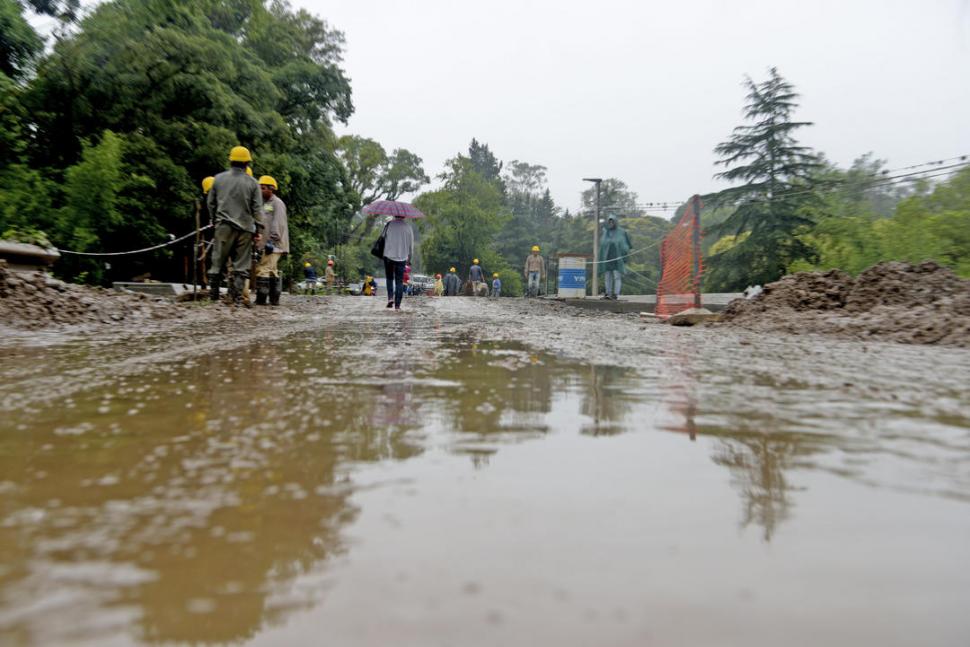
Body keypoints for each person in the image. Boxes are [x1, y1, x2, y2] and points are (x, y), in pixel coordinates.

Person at [206, 146, 263, 305]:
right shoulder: (253, 183)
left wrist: (213, 220)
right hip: (245, 229)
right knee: (241, 265)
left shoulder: (218, 179)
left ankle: (213, 298)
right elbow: (257, 209)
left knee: (217, 262)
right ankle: (238, 299)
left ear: (230, 161)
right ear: (247, 163)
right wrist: (258, 229)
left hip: (223, 226)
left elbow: (210, 203)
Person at [253, 175, 288, 306]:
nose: (260, 191)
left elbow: (278, 223)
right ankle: (274, 299)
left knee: (263, 269)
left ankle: (261, 299)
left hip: (274, 244)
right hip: (266, 243)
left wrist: (272, 241)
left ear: (271, 189)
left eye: (263, 188)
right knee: (272, 270)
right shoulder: (263, 203)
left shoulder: (277, 203)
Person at [382, 215, 414, 310]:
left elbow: (383, 238)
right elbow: (411, 246)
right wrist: (410, 259)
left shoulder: (389, 225)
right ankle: (397, 305)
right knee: (399, 281)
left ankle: (390, 298)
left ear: (395, 215)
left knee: (389, 278)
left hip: (388, 256)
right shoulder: (408, 227)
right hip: (402, 257)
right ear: (404, 216)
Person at [599, 214, 632, 300]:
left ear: (615, 222)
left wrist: (624, 255)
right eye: (609, 222)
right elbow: (602, 245)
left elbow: (625, 245)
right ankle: (608, 293)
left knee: (617, 277)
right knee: (607, 277)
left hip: (617, 259)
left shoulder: (621, 232)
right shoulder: (605, 232)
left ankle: (615, 294)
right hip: (607, 258)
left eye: (612, 221)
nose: (611, 223)